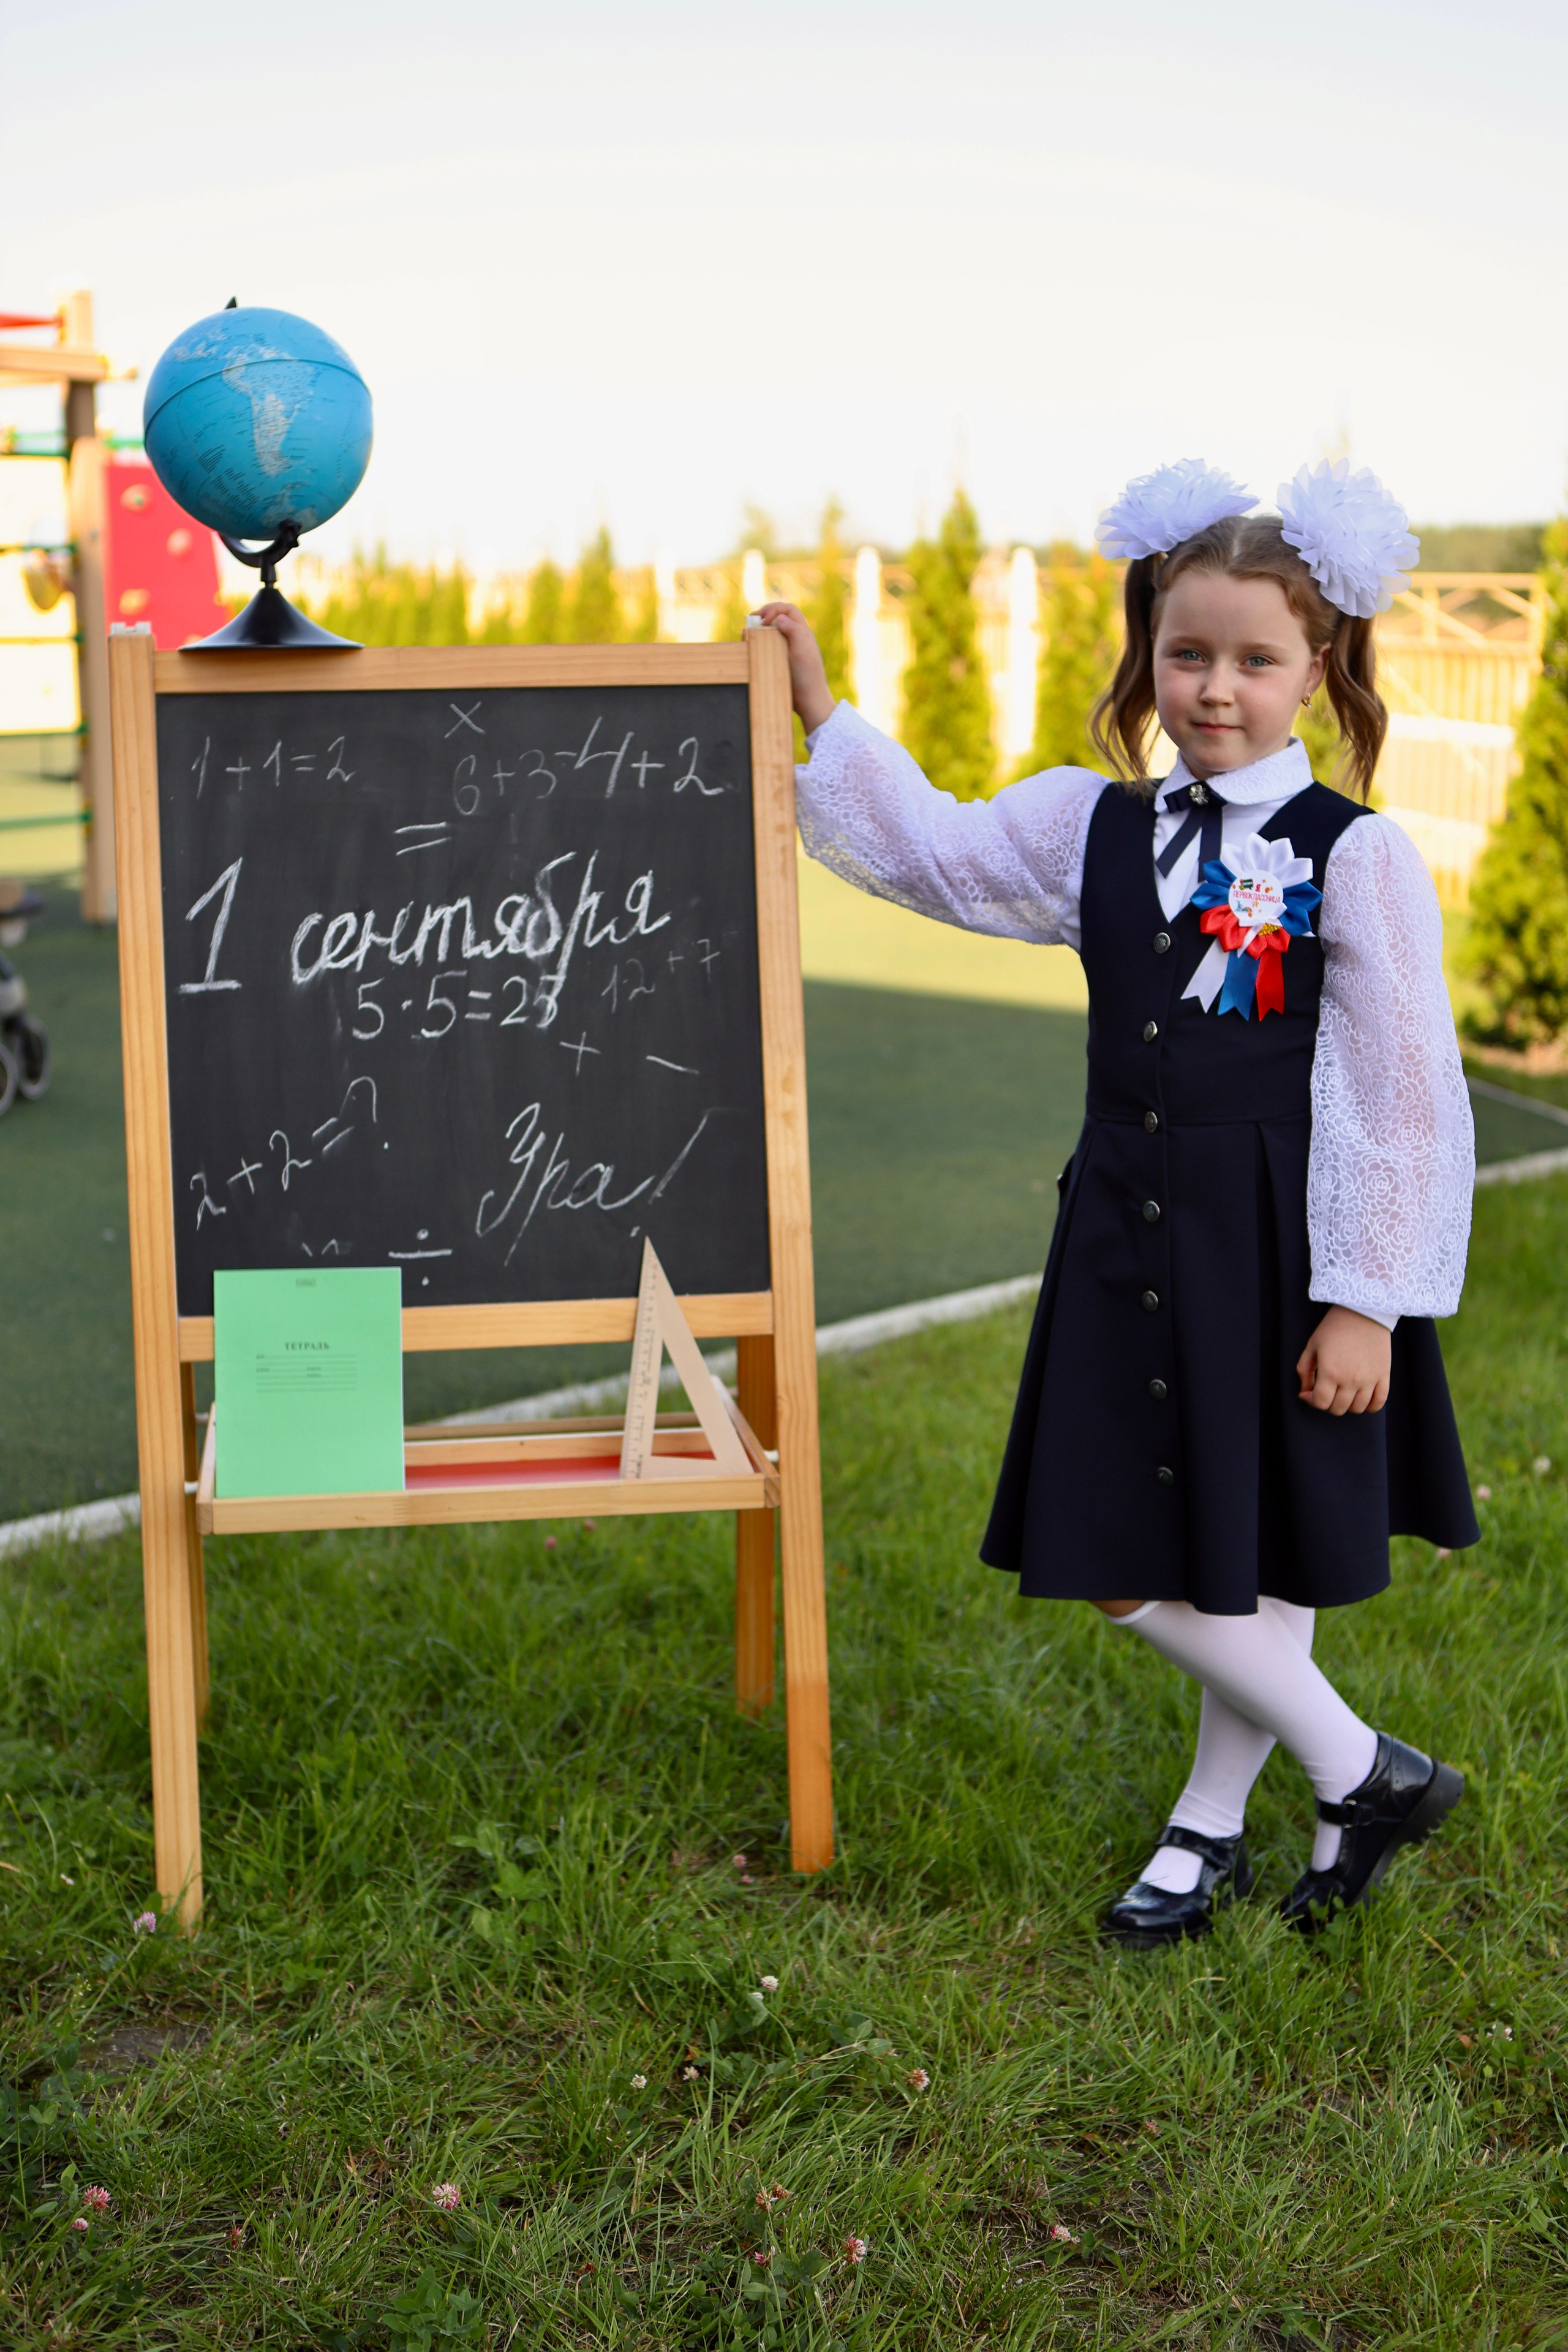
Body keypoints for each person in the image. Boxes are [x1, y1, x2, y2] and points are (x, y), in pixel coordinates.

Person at [757, 457, 1476, 1945]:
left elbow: (1402, 1092)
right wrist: (822, 719)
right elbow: (935, 853)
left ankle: (1213, 1824)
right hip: (1125, 1232)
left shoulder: (1358, 857)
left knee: (1254, 1552)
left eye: (1254, 659)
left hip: (1281, 1241)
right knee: (1118, 1559)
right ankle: (1364, 1772)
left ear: (1315, 668)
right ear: (1146, 654)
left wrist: (1365, 1301)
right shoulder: (1088, 827)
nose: (1215, 688)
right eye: (1186, 652)